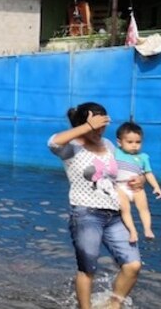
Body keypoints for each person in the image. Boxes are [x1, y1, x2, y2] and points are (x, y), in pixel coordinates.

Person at [48, 102, 144, 309]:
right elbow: (53, 143)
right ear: (85, 124)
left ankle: (113, 304)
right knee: (88, 268)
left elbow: (121, 174)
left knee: (133, 265)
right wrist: (87, 127)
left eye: (103, 126)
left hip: (115, 214)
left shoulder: (108, 145)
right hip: (86, 215)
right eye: (96, 126)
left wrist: (139, 181)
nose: (100, 131)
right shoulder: (71, 147)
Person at [115, 122, 161, 242]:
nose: (134, 145)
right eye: (130, 142)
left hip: (137, 188)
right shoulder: (115, 152)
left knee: (144, 209)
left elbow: (148, 173)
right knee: (125, 210)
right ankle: (132, 231)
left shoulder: (143, 157)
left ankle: (147, 229)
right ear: (119, 142)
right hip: (120, 186)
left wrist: (156, 187)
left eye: (138, 142)